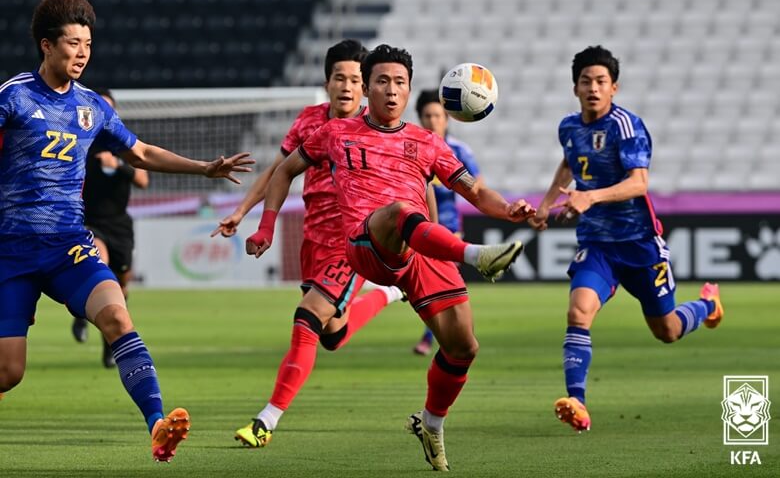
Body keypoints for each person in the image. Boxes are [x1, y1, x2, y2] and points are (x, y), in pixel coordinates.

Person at [245, 44, 535, 471]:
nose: (392, 90)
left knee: (463, 347)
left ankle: (432, 423)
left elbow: (474, 191)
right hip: (365, 244)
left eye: (400, 83)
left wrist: (508, 208)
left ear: (410, 88)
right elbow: (285, 169)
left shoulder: (427, 143)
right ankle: (478, 256)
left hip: (416, 249)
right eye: (382, 81)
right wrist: (266, 224)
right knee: (399, 212)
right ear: (368, 88)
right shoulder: (335, 132)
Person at [0, 0, 254, 462]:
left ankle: (157, 425)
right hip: (10, 252)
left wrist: (204, 167)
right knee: (9, 373)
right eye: (73, 43)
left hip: (67, 246)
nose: (82, 53)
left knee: (118, 317)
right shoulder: (13, 96)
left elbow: (140, 152)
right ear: (46, 46)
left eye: (88, 44)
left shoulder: (93, 107)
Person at [211, 39, 404, 449]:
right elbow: (279, 171)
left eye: (356, 79)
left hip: (354, 241)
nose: (348, 87)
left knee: (307, 318)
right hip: (313, 240)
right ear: (327, 82)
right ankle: (386, 295)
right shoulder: (310, 121)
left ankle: (266, 420)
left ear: (366, 85)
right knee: (332, 333)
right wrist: (246, 213)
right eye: (340, 78)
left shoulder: (375, 128)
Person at [527, 45, 724, 433]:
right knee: (577, 312)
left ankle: (707, 305)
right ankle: (577, 403)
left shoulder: (626, 126)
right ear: (575, 88)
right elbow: (570, 162)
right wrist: (547, 203)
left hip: (639, 245)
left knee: (666, 331)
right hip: (597, 246)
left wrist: (590, 196)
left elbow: (639, 182)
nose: (593, 88)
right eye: (586, 81)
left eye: (601, 81)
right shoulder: (569, 127)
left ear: (614, 87)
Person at [71, 88, 149, 369]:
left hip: (119, 225)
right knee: (97, 265)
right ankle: (80, 315)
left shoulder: (121, 142)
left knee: (121, 286)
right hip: (90, 223)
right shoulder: (80, 141)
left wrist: (117, 164)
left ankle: (108, 349)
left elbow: (143, 180)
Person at [411, 90, 483, 357]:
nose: (433, 121)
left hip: (448, 229)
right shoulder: (411, 148)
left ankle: (432, 339)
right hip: (414, 227)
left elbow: (478, 187)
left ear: (447, 119)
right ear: (420, 118)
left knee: (443, 283)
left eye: (438, 115)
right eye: (427, 116)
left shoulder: (460, 151)